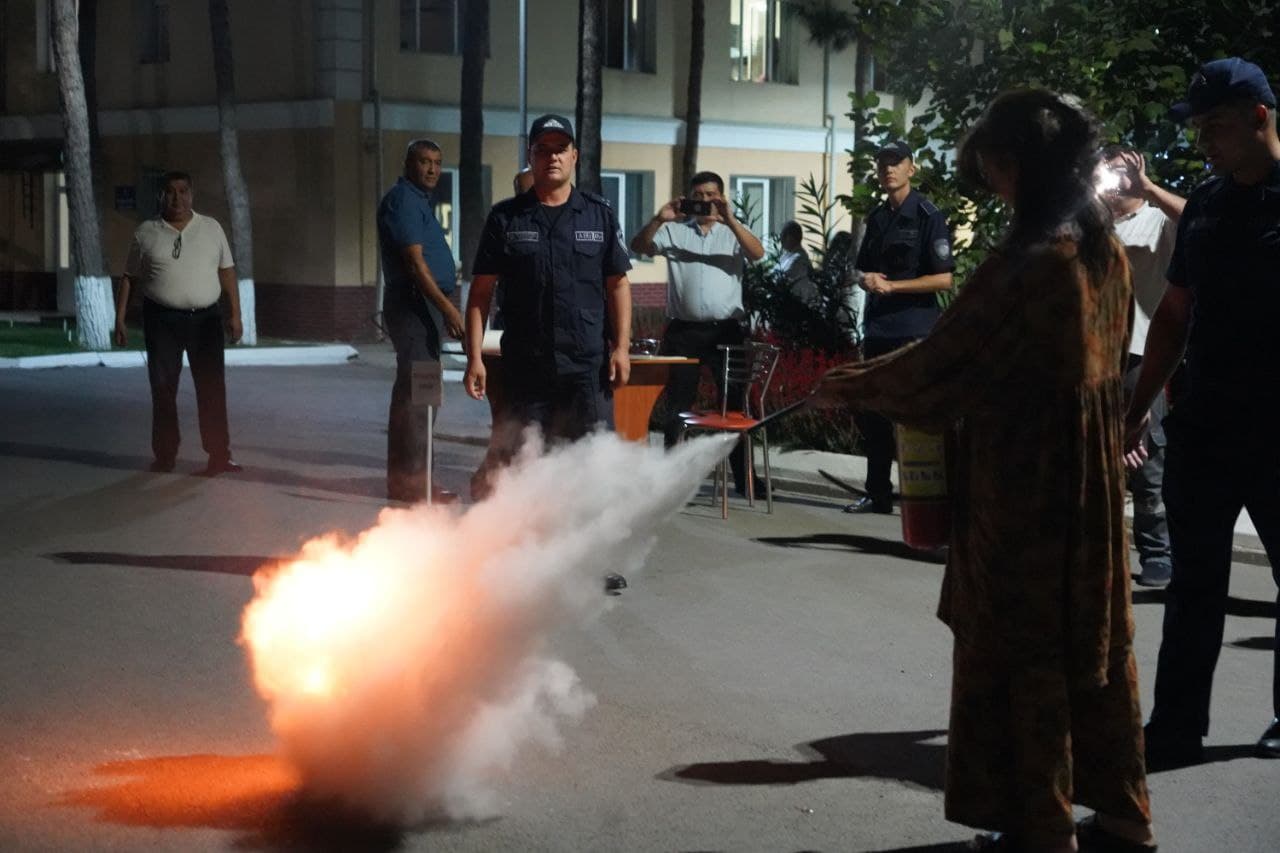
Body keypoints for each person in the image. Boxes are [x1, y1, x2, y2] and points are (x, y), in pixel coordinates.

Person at [815, 89, 1155, 853]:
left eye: (994, 167)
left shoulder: (1027, 265)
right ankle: (1127, 816)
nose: (990, 182)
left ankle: (1043, 826)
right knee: (1097, 644)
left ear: (1017, 165)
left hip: (1027, 487)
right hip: (1094, 486)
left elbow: (944, 368)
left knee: (1025, 648)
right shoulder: (1102, 250)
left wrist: (852, 386)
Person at [1123, 56, 1280, 765]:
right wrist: (1140, 402)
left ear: (1259, 117)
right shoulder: (1209, 204)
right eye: (1199, 129)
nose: (1204, 141)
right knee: (1193, 583)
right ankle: (1177, 726)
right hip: (1207, 423)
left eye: (1216, 127)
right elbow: (1175, 312)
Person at [463, 113, 632, 471]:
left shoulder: (598, 216)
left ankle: (591, 529)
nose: (552, 156)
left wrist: (621, 348)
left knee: (594, 465)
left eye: (561, 149)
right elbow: (480, 294)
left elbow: (618, 284)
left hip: (586, 371)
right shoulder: (506, 219)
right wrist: (474, 357)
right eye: (543, 149)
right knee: (522, 467)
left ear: (575, 156)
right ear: (530, 156)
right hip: (526, 371)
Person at [629, 170, 766, 497]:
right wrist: (658, 218)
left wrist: (730, 219)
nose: (705, 202)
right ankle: (670, 479)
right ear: (689, 198)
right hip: (684, 331)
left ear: (721, 197)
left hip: (726, 332)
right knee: (677, 404)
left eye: (711, 195)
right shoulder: (675, 230)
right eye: (699, 196)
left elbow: (758, 253)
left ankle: (745, 479)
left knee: (733, 406)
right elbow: (639, 246)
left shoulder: (732, 232)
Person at [845, 140, 954, 515]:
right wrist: (867, 279)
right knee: (874, 415)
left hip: (914, 330)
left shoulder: (927, 215)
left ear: (912, 168)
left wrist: (893, 286)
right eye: (883, 164)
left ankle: (926, 499)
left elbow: (943, 281)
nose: (888, 169)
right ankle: (877, 494)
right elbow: (861, 270)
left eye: (896, 163)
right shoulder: (876, 217)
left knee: (917, 417)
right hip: (878, 328)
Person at [114, 171, 243, 477]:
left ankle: (219, 456)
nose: (177, 198)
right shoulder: (146, 232)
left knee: (212, 389)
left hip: (206, 321)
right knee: (162, 389)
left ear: (192, 194)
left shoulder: (211, 228)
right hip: (162, 321)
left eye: (183, 191)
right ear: (161, 196)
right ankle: (165, 456)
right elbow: (130, 278)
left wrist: (236, 314)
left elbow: (227, 272)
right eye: (171, 192)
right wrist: (119, 319)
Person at [1100, 144, 1184, 588]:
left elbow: (1197, 220)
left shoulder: (1157, 220)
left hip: (1141, 352)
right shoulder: (1092, 226)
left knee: (1147, 459)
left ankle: (1158, 552)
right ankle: (1102, 549)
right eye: (1105, 172)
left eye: (1120, 172)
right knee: (1095, 453)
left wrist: (1148, 187)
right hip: (1093, 353)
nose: (1113, 181)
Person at [377, 138, 464, 503]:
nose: (431, 169)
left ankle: (410, 479)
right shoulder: (404, 201)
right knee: (421, 395)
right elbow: (414, 263)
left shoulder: (418, 202)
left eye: (437, 163)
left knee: (417, 394)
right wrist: (447, 309)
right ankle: (415, 484)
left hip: (422, 307)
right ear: (409, 163)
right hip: (414, 306)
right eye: (424, 161)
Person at [776, 220, 818, 309]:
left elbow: (783, 277)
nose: (781, 239)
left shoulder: (800, 258)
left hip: (795, 306)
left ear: (792, 237)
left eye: (783, 235)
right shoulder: (786, 255)